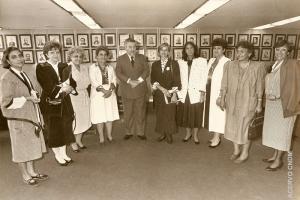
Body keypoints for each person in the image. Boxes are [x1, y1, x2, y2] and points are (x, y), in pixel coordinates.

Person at [0, 47, 47, 186]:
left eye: (20, 55)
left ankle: (32, 171)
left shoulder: (24, 73)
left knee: (31, 146)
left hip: (30, 117)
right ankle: (25, 175)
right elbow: (5, 103)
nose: (19, 58)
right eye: (14, 57)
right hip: (19, 120)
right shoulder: (6, 78)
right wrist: (27, 98)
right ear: (7, 60)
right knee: (21, 148)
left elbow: (30, 91)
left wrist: (34, 96)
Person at [218, 41, 265, 163]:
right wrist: (222, 98)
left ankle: (244, 153)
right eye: (238, 51)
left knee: (245, 129)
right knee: (233, 126)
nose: (239, 54)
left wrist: (259, 103)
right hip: (232, 101)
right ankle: (236, 150)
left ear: (249, 54)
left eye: (242, 51)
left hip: (248, 102)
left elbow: (260, 86)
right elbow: (224, 84)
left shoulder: (257, 66)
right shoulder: (229, 65)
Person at [262, 40, 300, 171]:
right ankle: (274, 155)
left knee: (283, 133)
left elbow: (295, 86)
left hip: (285, 104)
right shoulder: (275, 64)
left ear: (288, 52)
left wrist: (278, 96)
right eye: (277, 49)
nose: (279, 52)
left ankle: (278, 161)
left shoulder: (292, 64)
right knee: (275, 132)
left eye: (283, 50)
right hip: (273, 105)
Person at [36, 41, 75, 166]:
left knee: (64, 128)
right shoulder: (41, 67)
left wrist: (71, 88)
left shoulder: (64, 66)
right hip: (50, 103)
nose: (55, 54)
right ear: (46, 54)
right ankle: (57, 155)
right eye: (51, 52)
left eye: (57, 52)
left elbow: (72, 81)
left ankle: (63, 153)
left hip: (64, 102)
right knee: (54, 129)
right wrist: (64, 88)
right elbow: (47, 86)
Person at [116, 38, 149, 140]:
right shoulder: (120, 59)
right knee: (128, 113)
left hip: (140, 89)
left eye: (134, 47)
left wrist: (138, 81)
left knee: (140, 112)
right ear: (125, 47)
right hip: (127, 90)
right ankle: (128, 132)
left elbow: (146, 70)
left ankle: (140, 132)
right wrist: (130, 81)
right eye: (129, 47)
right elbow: (118, 73)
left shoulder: (142, 57)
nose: (132, 49)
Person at [177, 42, 208, 144]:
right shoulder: (180, 62)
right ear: (184, 50)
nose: (189, 50)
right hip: (184, 92)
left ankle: (195, 135)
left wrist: (203, 92)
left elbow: (204, 78)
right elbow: (178, 78)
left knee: (196, 115)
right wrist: (176, 93)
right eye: (187, 48)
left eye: (191, 48)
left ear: (195, 49)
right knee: (185, 114)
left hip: (197, 93)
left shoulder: (202, 61)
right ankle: (188, 133)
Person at [151, 43, 181, 144]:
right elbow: (153, 79)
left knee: (170, 114)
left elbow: (177, 80)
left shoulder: (174, 64)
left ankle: (169, 134)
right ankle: (162, 133)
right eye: (161, 50)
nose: (163, 52)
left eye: (166, 50)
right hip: (159, 93)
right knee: (160, 113)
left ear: (169, 52)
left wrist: (174, 94)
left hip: (170, 93)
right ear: (158, 52)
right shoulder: (155, 64)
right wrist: (162, 89)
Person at [62, 46, 91, 151]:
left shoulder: (84, 68)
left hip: (84, 95)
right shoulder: (67, 69)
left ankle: (79, 140)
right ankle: (73, 142)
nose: (78, 58)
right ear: (70, 57)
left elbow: (89, 82)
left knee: (84, 119)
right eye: (75, 56)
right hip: (73, 97)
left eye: (80, 56)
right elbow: (65, 85)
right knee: (75, 120)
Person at [89, 46, 119, 143]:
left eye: (105, 55)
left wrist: (110, 90)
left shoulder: (110, 67)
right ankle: (101, 137)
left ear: (107, 57)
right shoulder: (92, 67)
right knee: (100, 116)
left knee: (109, 115)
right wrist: (104, 91)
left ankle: (109, 136)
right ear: (96, 56)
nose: (103, 57)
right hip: (98, 95)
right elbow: (93, 81)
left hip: (110, 94)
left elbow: (114, 79)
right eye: (101, 54)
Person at [205, 38, 231, 148]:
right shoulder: (211, 60)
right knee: (212, 114)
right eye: (214, 48)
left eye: (219, 48)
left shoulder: (227, 62)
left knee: (219, 114)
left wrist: (222, 96)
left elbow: (227, 80)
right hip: (210, 89)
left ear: (224, 50)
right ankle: (215, 136)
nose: (216, 50)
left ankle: (217, 137)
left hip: (220, 92)